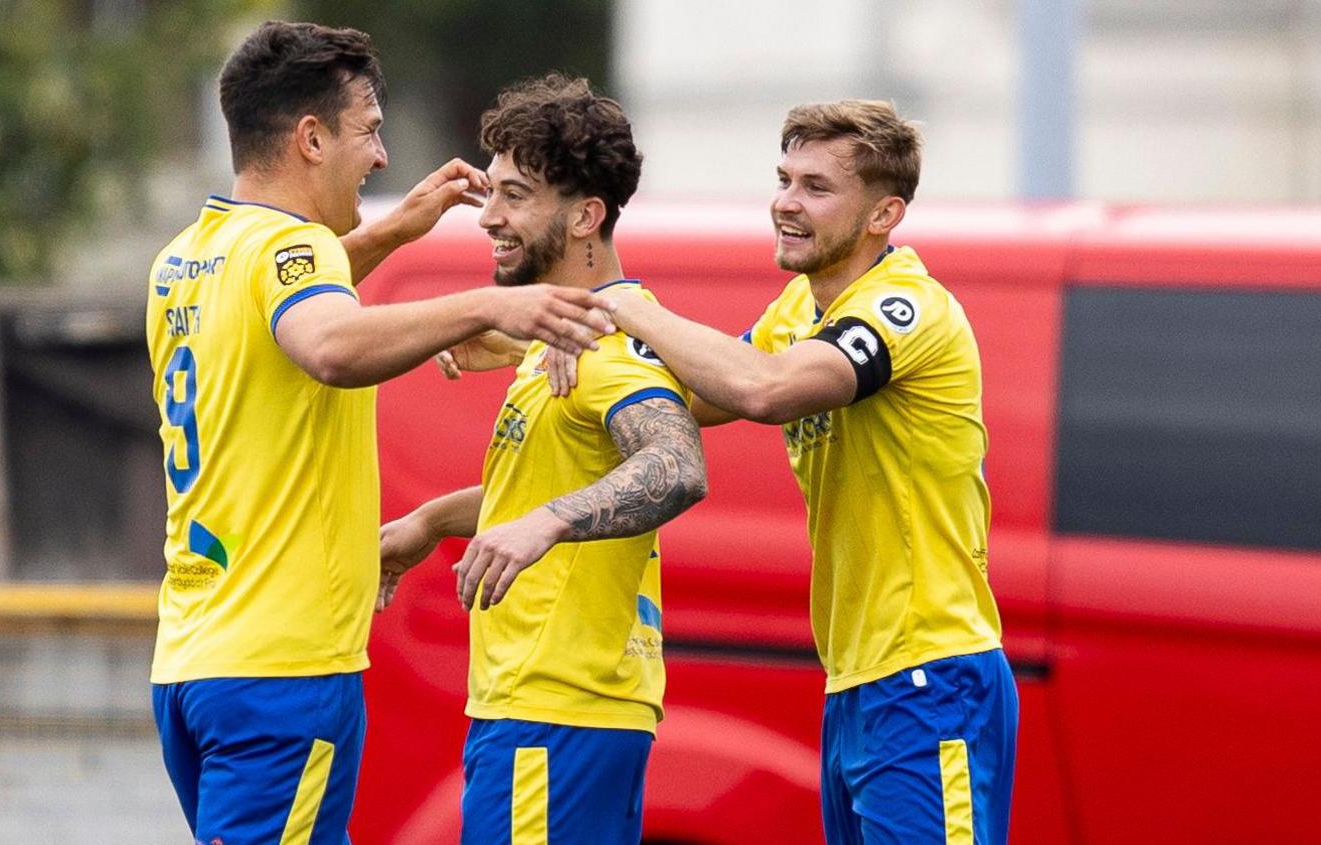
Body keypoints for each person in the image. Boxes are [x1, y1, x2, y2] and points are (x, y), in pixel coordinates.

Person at [145, 23, 616, 845]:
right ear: (311, 137)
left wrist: (395, 232)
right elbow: (325, 343)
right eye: (369, 130)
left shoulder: (190, 256)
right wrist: (487, 304)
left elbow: (290, 300)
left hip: (193, 660)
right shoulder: (293, 251)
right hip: (283, 667)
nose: (383, 157)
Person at [572, 100, 1018, 843]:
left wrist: (624, 301)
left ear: (884, 214)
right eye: (783, 179)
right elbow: (696, 389)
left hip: (931, 674)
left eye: (815, 186)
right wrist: (543, 334)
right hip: (857, 682)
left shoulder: (906, 305)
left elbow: (765, 389)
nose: (784, 202)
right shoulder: (798, 310)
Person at [376, 74, 707, 845]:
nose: (488, 216)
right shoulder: (562, 335)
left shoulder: (605, 348)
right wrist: (430, 520)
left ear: (587, 214)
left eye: (514, 195)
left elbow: (677, 464)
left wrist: (548, 523)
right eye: (490, 192)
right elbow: (546, 486)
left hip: (554, 717)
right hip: (554, 715)